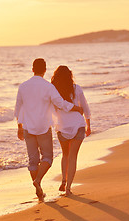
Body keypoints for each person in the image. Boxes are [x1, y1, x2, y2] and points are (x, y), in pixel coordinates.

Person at [14, 58, 83, 202]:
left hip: (27, 127)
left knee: (33, 161)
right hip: (44, 127)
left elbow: (18, 108)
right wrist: (75, 107)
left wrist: (19, 127)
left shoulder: (23, 86)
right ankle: (38, 180)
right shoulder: (48, 87)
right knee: (47, 158)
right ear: (45, 70)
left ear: (32, 69)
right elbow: (60, 103)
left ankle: (39, 190)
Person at [51, 65, 91, 196]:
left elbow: (50, 109)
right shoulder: (76, 88)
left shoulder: (54, 91)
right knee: (73, 157)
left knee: (65, 155)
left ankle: (63, 180)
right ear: (70, 75)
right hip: (78, 125)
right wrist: (88, 124)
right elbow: (85, 107)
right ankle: (68, 188)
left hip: (62, 127)